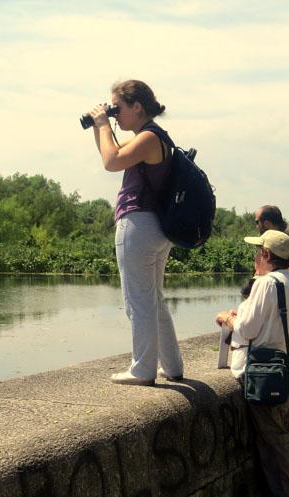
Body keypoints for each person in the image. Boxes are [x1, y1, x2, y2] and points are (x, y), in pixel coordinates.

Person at [88, 80, 183, 386]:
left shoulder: (148, 137)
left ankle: (142, 369)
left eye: (117, 108)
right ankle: (172, 366)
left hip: (138, 225)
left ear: (137, 106)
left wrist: (103, 124)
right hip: (157, 227)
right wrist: (99, 127)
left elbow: (111, 161)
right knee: (154, 299)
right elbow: (112, 153)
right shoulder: (157, 136)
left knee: (138, 301)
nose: (114, 114)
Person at [216, 230, 289, 497]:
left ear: (267, 255)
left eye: (258, 252)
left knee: (276, 440)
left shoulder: (266, 283)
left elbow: (247, 329)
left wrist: (229, 318)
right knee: (280, 436)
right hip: (286, 370)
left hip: (264, 373)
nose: (255, 257)